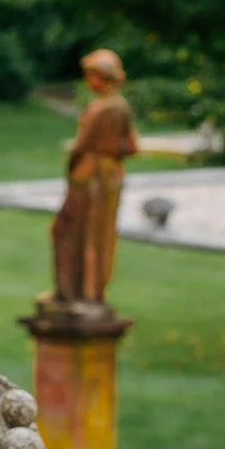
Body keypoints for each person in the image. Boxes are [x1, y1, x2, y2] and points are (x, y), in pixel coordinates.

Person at [50, 48, 140, 306]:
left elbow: (81, 146)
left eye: (91, 75)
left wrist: (78, 162)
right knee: (99, 234)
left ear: (103, 77)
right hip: (111, 175)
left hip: (90, 174)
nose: (89, 81)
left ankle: (73, 291)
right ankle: (91, 291)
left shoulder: (101, 109)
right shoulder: (121, 107)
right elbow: (132, 146)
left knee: (71, 231)